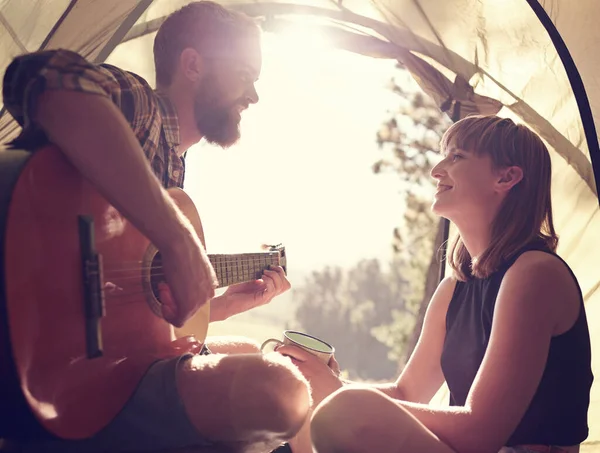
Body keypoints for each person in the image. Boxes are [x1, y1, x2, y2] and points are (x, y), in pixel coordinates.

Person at [1, 2, 310, 452]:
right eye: (245, 73)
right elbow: (39, 77)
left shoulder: (173, 172)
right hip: (39, 356)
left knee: (246, 351)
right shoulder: (139, 106)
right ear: (192, 65)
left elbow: (127, 306)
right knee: (279, 390)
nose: (254, 96)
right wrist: (177, 239)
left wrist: (215, 304)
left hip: (90, 368)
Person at [277, 115, 594, 453]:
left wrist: (342, 396)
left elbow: (480, 434)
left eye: (456, 157)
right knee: (306, 404)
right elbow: (407, 395)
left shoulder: (535, 274)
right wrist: (325, 385)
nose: (437, 169)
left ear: (507, 177)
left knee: (343, 411)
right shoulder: (455, 288)